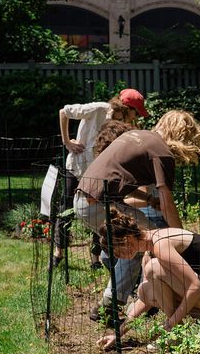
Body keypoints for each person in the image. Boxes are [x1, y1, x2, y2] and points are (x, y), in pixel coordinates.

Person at [73, 110, 200, 315]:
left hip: (86, 199)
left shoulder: (141, 137)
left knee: (138, 240)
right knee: (140, 239)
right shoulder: (162, 152)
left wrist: (148, 199)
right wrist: (182, 240)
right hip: (95, 203)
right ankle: (118, 302)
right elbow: (168, 202)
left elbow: (119, 179)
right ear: (182, 136)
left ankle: (142, 292)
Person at [96, 209, 200, 351]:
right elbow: (145, 300)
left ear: (126, 240)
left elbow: (195, 286)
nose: (119, 257)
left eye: (117, 252)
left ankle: (174, 333)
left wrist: (170, 324)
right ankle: (192, 325)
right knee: (144, 291)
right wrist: (118, 334)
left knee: (153, 268)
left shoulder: (160, 244)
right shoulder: (149, 250)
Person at [53, 88, 148, 268]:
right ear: (128, 108)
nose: (136, 118)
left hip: (98, 175)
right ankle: (59, 252)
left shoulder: (123, 126)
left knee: (103, 212)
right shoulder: (98, 109)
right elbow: (64, 112)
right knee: (65, 209)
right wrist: (67, 141)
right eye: (136, 113)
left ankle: (95, 258)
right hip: (76, 168)